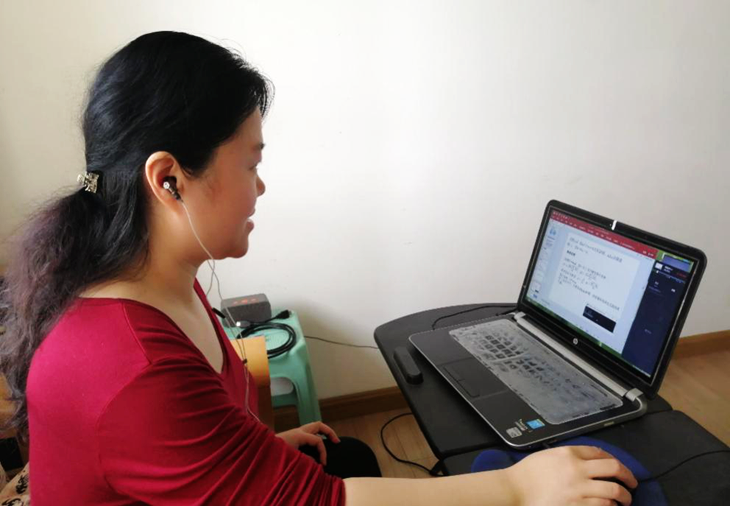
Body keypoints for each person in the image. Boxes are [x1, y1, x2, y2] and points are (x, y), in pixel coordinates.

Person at [0, 31, 637, 505]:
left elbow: (174, 436)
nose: (260, 187)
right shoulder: (129, 363)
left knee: (345, 452)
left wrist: (254, 454)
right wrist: (519, 489)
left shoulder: (159, 283)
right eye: (250, 163)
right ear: (169, 180)